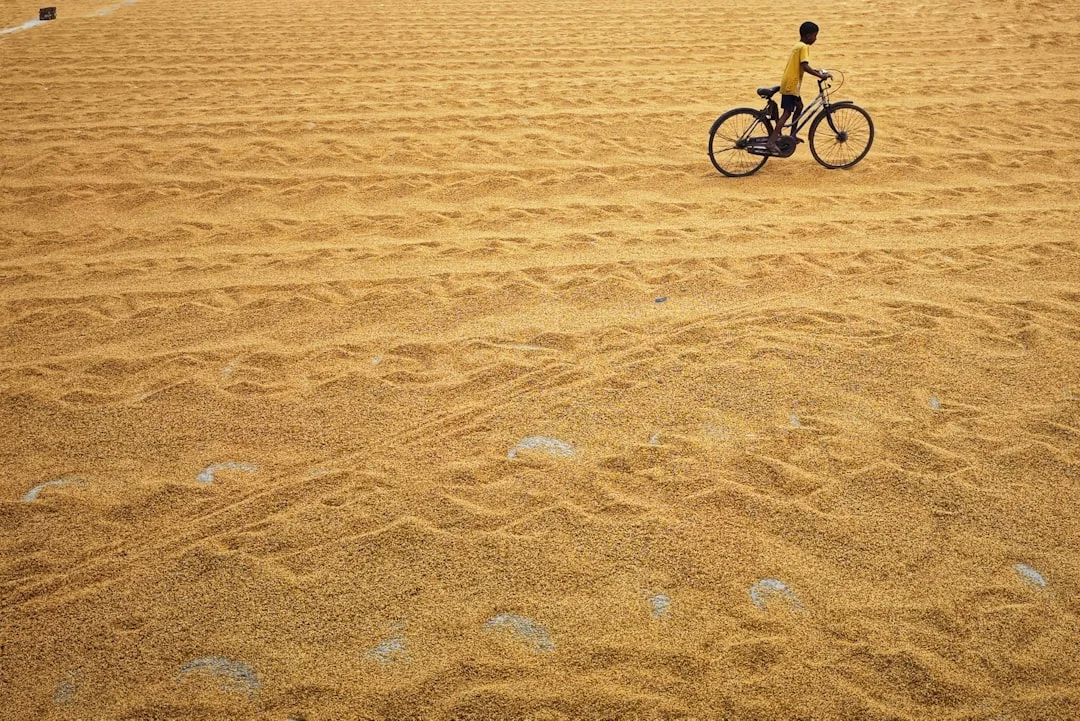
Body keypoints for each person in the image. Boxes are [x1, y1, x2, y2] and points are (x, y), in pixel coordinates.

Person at [766, 22, 831, 154]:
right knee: (787, 113)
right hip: (792, 84)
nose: (815, 38)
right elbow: (805, 66)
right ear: (808, 35)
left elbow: (801, 65)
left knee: (799, 106)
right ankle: (771, 141)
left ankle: (792, 135)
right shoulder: (804, 47)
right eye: (815, 35)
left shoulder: (798, 45)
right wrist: (819, 75)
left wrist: (817, 71)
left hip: (790, 83)